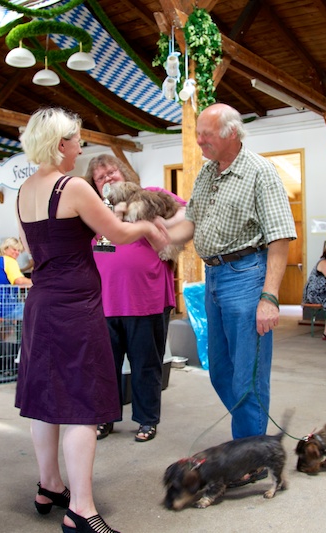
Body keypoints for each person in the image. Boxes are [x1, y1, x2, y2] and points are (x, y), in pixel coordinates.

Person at [15, 107, 167, 533]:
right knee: (82, 405)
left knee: (45, 401)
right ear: (61, 144)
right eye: (78, 139)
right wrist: (148, 228)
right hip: (75, 305)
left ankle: (49, 485)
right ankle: (81, 509)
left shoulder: (25, 190)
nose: (81, 146)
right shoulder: (74, 186)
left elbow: (36, 247)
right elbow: (116, 235)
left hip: (41, 302)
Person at [167, 103, 297, 447]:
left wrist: (269, 296)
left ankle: (250, 452)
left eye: (206, 135)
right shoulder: (207, 173)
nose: (199, 142)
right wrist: (155, 236)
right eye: (198, 135)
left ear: (232, 134)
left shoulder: (260, 172)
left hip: (246, 275)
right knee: (221, 371)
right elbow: (190, 223)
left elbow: (280, 237)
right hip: (214, 277)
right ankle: (254, 441)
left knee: (247, 376)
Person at [85, 154, 186, 443]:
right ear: (94, 184)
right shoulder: (94, 210)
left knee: (146, 365)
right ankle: (105, 419)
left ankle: (146, 420)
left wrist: (156, 223)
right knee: (105, 367)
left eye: (111, 172)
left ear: (124, 172)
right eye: (100, 176)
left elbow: (186, 212)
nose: (108, 178)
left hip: (147, 299)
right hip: (103, 303)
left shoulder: (151, 195)